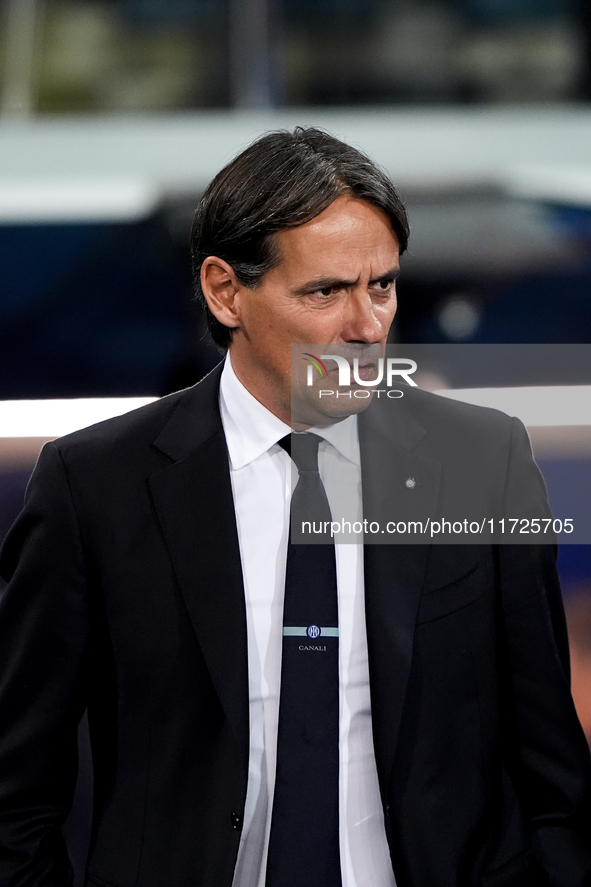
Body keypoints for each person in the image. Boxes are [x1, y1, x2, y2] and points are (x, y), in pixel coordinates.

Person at [0, 126, 590, 887]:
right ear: (225, 291)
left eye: (380, 284)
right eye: (325, 291)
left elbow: (552, 772)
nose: (366, 325)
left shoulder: (481, 462)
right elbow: (17, 788)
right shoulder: (94, 485)